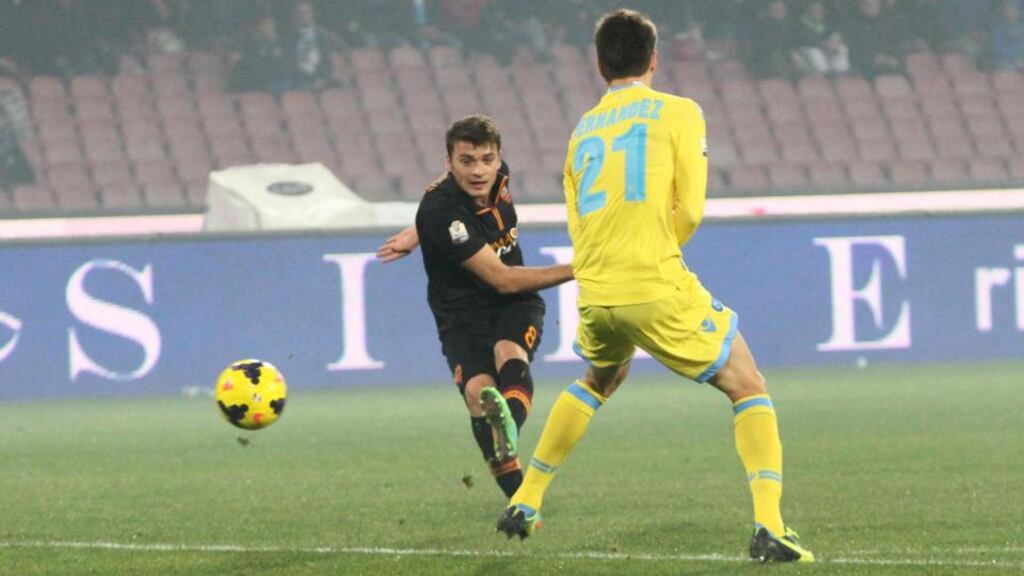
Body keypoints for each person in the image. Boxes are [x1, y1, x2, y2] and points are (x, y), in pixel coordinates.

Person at [494, 9, 814, 564]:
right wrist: (659, 249)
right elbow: (688, 208)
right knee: (748, 384)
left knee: (598, 378)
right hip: (654, 278)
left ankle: (526, 499)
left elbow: (578, 219)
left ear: (600, 65)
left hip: (595, 290)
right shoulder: (680, 112)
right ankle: (771, 527)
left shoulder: (581, 131)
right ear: (654, 60)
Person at [376, 115, 573, 500]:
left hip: (513, 303)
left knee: (507, 352)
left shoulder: (498, 177)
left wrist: (413, 235)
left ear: (499, 158)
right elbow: (500, 276)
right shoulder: (439, 209)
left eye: (487, 159)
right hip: (462, 312)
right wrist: (580, 268)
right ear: (449, 163)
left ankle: (509, 430)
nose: (479, 170)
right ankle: (518, 498)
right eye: (467, 161)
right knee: (477, 392)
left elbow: (505, 286)